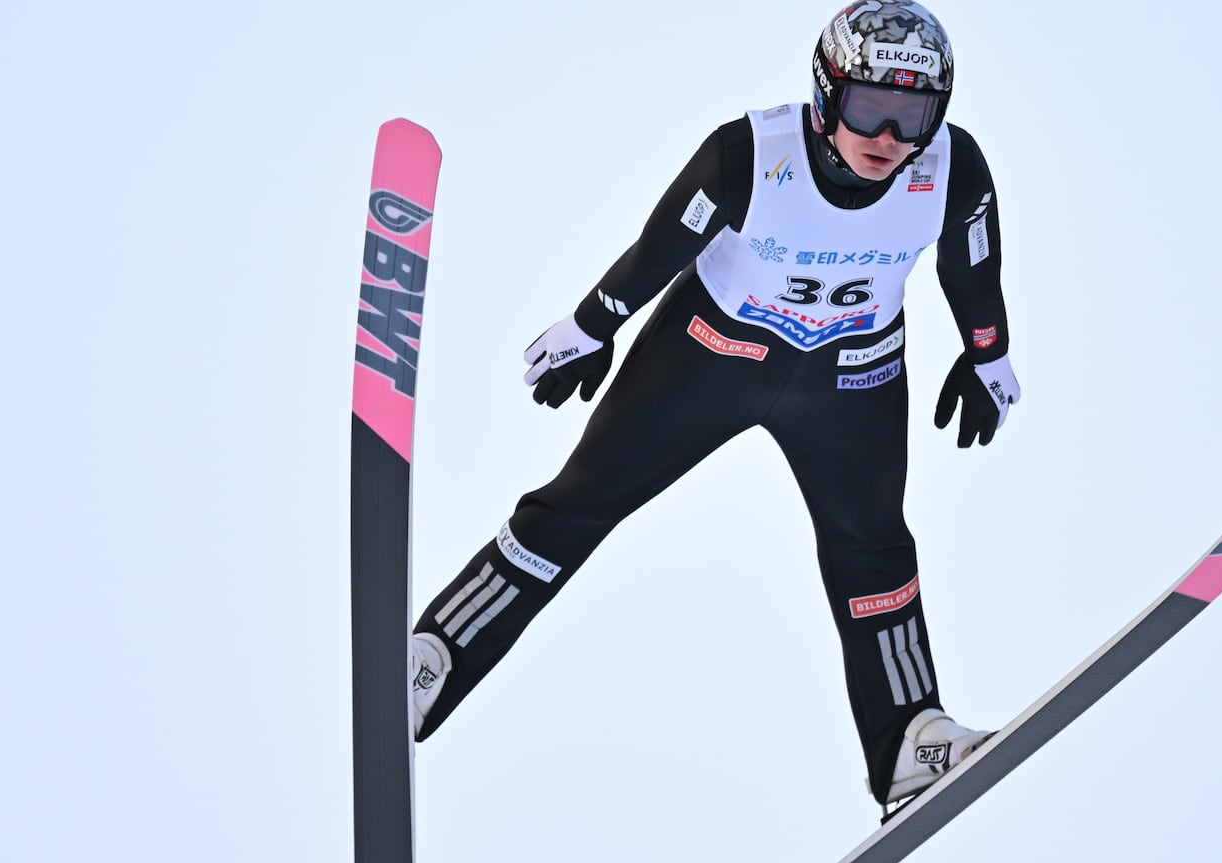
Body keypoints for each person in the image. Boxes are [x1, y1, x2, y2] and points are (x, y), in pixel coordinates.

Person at [409, 0, 1020, 816]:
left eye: (912, 116)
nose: (889, 139)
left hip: (852, 374)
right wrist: (594, 326)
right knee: (578, 504)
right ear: (825, 93)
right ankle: (435, 656)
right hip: (711, 354)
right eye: (870, 108)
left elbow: (971, 274)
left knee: (873, 548)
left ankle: (911, 739)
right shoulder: (749, 153)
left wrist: (988, 355)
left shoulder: (953, 168)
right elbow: (660, 249)